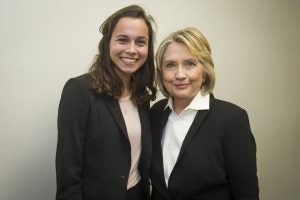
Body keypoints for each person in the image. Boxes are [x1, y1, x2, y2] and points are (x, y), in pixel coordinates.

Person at [55, 5, 157, 200]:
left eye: (141, 42)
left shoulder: (141, 95)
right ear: (107, 43)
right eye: (123, 40)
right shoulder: (79, 90)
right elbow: (68, 168)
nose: (132, 50)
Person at [150, 27, 259, 200]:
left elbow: (246, 194)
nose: (180, 75)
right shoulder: (155, 113)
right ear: (161, 72)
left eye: (190, 64)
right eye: (170, 65)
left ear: (205, 70)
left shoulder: (232, 119)